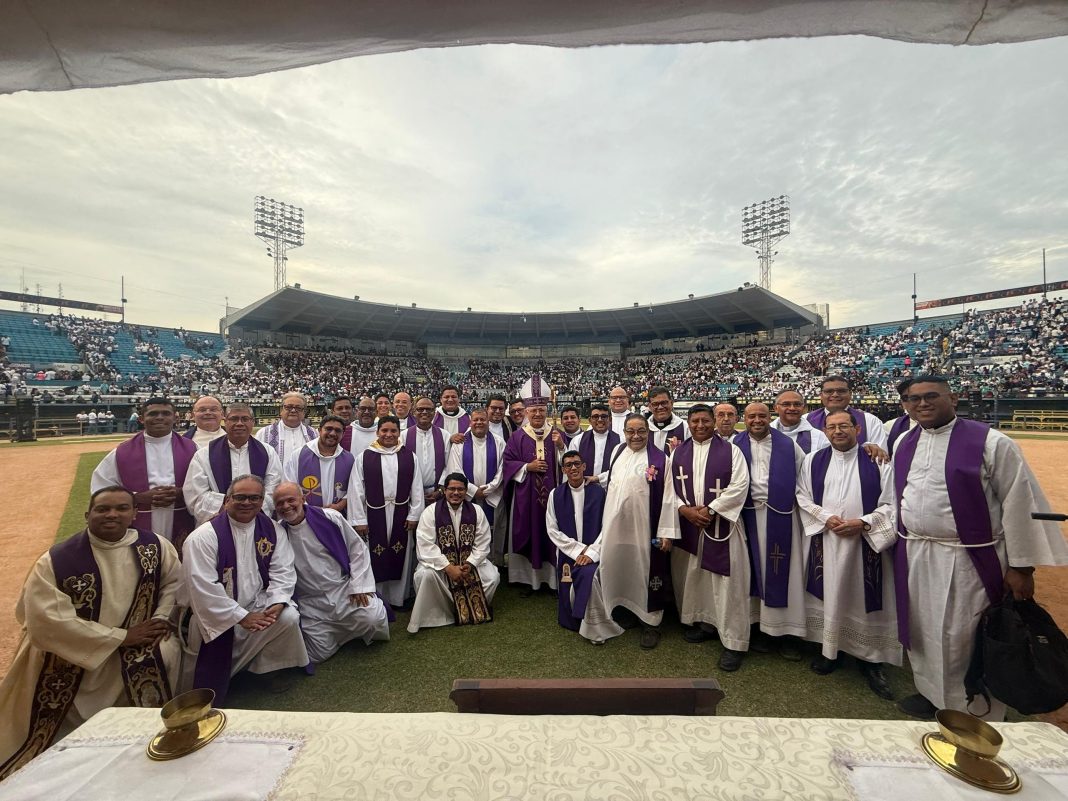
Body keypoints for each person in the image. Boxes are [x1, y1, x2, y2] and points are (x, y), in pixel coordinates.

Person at [891, 376, 1068, 720]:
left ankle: (975, 707)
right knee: (923, 628)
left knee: (964, 633)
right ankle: (932, 694)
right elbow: (894, 497)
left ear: (952, 398)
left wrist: (1021, 567)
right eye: (913, 399)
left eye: (931, 396)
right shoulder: (904, 442)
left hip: (969, 558)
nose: (922, 404)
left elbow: (1019, 503)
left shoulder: (992, 442)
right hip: (916, 553)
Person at [0, 487, 180, 778]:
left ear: (135, 513)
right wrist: (119, 637)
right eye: (103, 509)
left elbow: (173, 584)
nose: (112, 514)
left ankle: (141, 736)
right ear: (87, 515)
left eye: (122, 508)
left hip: (136, 642)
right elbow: (44, 619)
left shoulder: (156, 546)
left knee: (167, 651)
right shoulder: (56, 560)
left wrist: (159, 619)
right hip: (74, 651)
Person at [796, 410, 899, 700]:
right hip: (826, 541)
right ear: (825, 431)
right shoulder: (813, 461)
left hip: (865, 544)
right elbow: (801, 496)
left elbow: (892, 502)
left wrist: (864, 523)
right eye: (832, 427)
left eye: (844, 426)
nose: (838, 431)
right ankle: (831, 652)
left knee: (864, 598)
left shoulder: (878, 461)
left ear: (857, 429)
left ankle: (872, 660)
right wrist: (825, 517)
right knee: (830, 594)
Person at [181, 475, 308, 703]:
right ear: (228, 499)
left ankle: (266, 670)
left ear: (262, 501)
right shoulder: (203, 538)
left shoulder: (272, 530)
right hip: (217, 615)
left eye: (254, 498)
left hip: (258, 604)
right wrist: (241, 616)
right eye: (240, 497)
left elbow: (283, 570)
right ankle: (228, 675)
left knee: (288, 616)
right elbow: (202, 588)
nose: (247, 503)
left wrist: (277, 602)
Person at [580, 414, 679, 648]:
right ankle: (624, 608)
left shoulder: (660, 459)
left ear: (648, 432)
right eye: (631, 431)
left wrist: (666, 532)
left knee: (643, 569)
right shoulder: (617, 451)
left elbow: (668, 497)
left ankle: (651, 622)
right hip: (615, 526)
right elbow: (615, 477)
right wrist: (597, 478)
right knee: (619, 566)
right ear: (624, 432)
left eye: (641, 431)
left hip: (644, 528)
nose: (636, 436)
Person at [669, 405, 751, 670]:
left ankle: (734, 642)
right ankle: (704, 623)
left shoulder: (731, 451)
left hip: (722, 527)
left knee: (727, 585)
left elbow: (740, 486)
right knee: (696, 579)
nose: (700, 425)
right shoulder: (678, 453)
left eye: (706, 420)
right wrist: (684, 510)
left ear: (714, 422)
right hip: (690, 526)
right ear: (688, 423)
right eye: (695, 421)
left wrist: (710, 509)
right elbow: (669, 490)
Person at [274, 483, 388, 665]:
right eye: (280, 503)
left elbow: (357, 549)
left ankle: (348, 631)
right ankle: (340, 634)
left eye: (291, 500)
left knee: (373, 620)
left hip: (343, 591)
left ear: (303, 499)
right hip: (311, 603)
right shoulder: (278, 534)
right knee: (317, 655)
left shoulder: (330, 517)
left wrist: (358, 586)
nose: (286, 506)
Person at [733, 402, 808, 660]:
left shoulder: (788, 446)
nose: (756, 420)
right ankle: (757, 629)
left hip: (783, 519)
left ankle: (786, 634)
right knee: (749, 573)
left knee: (786, 575)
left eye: (762, 416)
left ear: (770, 417)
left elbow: (804, 478)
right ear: (744, 418)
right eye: (751, 416)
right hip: (747, 517)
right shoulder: (735, 444)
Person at [91, 397, 198, 549]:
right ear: (141, 418)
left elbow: (205, 486)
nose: (159, 417)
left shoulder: (193, 449)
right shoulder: (122, 452)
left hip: (181, 517)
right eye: (153, 414)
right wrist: (137, 497)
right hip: (139, 519)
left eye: (165, 413)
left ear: (175, 418)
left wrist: (182, 493)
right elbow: (101, 487)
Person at [348, 416, 424, 608]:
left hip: (401, 512)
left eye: (393, 431)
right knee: (375, 554)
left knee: (402, 553)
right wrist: (359, 519)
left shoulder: (408, 456)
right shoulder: (365, 457)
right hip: (373, 514)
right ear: (378, 432)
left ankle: (399, 598)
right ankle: (379, 598)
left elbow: (416, 487)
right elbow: (356, 489)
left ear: (399, 433)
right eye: (385, 431)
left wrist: (414, 514)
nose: (389, 434)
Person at [408, 474, 499, 633]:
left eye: (460, 489)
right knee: (425, 576)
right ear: (444, 490)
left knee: (492, 577)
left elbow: (483, 542)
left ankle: (469, 607)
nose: (456, 493)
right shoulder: (431, 512)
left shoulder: (476, 511)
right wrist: (448, 567)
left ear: (466, 491)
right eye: (452, 489)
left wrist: (470, 564)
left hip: (468, 564)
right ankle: (439, 614)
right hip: (441, 565)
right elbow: (425, 544)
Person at [501, 375, 563, 594]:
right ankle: (529, 580)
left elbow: (570, 465)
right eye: (533, 411)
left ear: (546, 411)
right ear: (526, 412)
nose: (537, 414)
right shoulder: (517, 437)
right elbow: (507, 463)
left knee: (551, 533)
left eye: (541, 410)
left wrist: (561, 447)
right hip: (525, 497)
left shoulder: (556, 435)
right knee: (529, 532)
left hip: (552, 498)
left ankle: (552, 580)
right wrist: (527, 467)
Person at [184, 403, 283, 525]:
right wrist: (229, 508)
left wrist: (251, 509)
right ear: (225, 422)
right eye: (234, 419)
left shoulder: (268, 452)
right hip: (218, 521)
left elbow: (273, 486)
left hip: (256, 520)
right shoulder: (204, 454)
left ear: (253, 422)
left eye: (245, 419)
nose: (239, 423)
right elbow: (195, 493)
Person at [546, 451, 606, 632]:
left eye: (577, 464)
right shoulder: (555, 494)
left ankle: (593, 623)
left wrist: (592, 553)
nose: (573, 468)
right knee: (569, 580)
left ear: (584, 467)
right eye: (569, 465)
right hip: (569, 553)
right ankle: (574, 619)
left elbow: (607, 526)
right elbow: (552, 529)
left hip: (595, 552)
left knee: (590, 576)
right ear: (563, 470)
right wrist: (578, 550)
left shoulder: (599, 493)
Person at [445, 407, 505, 525]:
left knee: (491, 531)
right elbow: (455, 470)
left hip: (491, 495)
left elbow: (502, 470)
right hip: (466, 495)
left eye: (482, 420)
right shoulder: (460, 443)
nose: (479, 422)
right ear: (470, 422)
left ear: (488, 422)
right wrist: (473, 491)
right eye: (475, 420)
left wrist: (489, 489)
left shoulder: (499, 442)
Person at [284, 415, 354, 513]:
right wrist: (309, 509)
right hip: (305, 514)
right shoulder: (299, 455)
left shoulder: (349, 459)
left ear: (343, 434)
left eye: (338, 430)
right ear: (320, 430)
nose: (333, 433)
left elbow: (353, 488)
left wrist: (339, 505)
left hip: (338, 515)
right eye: (328, 429)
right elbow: (290, 485)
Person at [805, 376, 888, 449]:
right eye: (829, 391)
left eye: (841, 391)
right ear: (821, 395)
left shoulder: (870, 421)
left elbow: (881, 457)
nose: (835, 395)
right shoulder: (805, 420)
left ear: (850, 394)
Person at [405, 396, 452, 505]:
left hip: (437, 493)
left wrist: (440, 490)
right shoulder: (404, 436)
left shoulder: (444, 435)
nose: (424, 412)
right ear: (414, 412)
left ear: (434, 412)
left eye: (429, 409)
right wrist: (414, 492)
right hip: (411, 493)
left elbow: (449, 465)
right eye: (420, 409)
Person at [255, 392, 316, 462]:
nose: (293, 410)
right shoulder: (263, 433)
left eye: (298, 408)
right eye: (289, 407)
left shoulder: (314, 434)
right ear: (281, 410)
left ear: (304, 412)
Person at [569, 404, 620, 484]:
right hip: (585, 488)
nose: (600, 420)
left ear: (610, 419)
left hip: (610, 488)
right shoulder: (578, 440)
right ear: (589, 420)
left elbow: (621, 469)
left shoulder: (619, 441)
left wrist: (598, 478)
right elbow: (571, 466)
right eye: (595, 417)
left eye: (604, 416)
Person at [770, 389, 829, 454]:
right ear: (775, 408)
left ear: (804, 408)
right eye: (786, 404)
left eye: (797, 404)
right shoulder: (765, 433)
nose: (792, 408)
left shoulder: (819, 437)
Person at [646, 386, 689, 453]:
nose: (660, 407)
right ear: (650, 407)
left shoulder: (685, 427)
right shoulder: (644, 428)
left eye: (664, 403)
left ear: (671, 403)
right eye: (655, 404)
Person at [885, 378, 917, 455]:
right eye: (905, 398)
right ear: (902, 403)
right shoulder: (890, 426)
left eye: (915, 397)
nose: (911, 401)